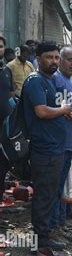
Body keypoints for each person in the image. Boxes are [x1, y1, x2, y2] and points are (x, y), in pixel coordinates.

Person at [23, 42, 72, 250]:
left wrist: (64, 112)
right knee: (44, 195)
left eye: (56, 57)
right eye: (49, 57)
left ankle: (45, 237)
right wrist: (62, 110)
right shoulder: (36, 81)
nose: (53, 61)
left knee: (50, 193)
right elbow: (41, 112)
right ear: (38, 58)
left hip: (54, 148)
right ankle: (40, 243)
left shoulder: (50, 80)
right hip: (43, 149)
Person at [49, 47, 72, 233]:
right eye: (70, 60)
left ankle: (61, 223)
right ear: (61, 60)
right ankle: (54, 227)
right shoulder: (56, 80)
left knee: (66, 187)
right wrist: (63, 113)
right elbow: (49, 108)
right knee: (57, 187)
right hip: (60, 144)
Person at [0, 36, 16, 202]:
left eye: (1, 46)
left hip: (4, 129)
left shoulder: (6, 71)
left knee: (2, 167)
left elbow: (11, 96)